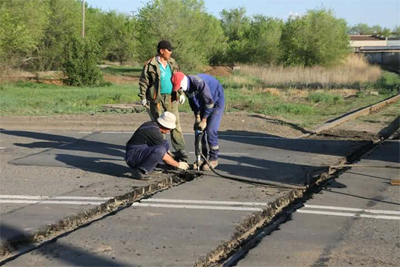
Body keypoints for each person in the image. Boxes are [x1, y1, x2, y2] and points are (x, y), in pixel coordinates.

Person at [138, 40, 188, 161]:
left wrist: (181, 93)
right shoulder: (151, 64)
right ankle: (162, 151)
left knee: (175, 124)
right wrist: (143, 97)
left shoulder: (172, 62)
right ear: (161, 51)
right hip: (157, 99)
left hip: (171, 98)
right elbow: (144, 82)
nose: (170, 52)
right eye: (168, 50)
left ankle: (180, 149)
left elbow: (178, 78)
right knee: (160, 125)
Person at [171, 72, 225, 170]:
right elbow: (194, 103)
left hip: (216, 101)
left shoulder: (199, 83)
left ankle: (213, 158)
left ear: (183, 82)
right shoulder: (186, 88)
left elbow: (209, 103)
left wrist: (204, 120)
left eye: (179, 87)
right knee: (199, 131)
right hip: (204, 102)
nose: (179, 89)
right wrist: (198, 117)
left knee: (210, 129)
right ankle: (202, 158)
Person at [125, 111, 189, 180]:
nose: (169, 130)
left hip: (138, 151)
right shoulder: (154, 132)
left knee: (165, 143)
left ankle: (152, 166)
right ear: (166, 126)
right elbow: (163, 154)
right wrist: (178, 165)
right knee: (160, 150)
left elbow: (165, 150)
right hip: (133, 157)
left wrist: (172, 160)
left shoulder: (152, 126)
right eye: (170, 129)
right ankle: (140, 171)